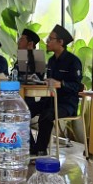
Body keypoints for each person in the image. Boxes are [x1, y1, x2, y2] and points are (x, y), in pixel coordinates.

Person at [27, 25, 83, 157]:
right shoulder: (52, 61)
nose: (47, 42)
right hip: (49, 100)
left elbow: (77, 86)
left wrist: (61, 84)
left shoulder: (73, 61)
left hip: (67, 103)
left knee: (46, 115)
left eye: (50, 39)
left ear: (60, 42)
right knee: (24, 112)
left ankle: (40, 151)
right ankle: (31, 148)